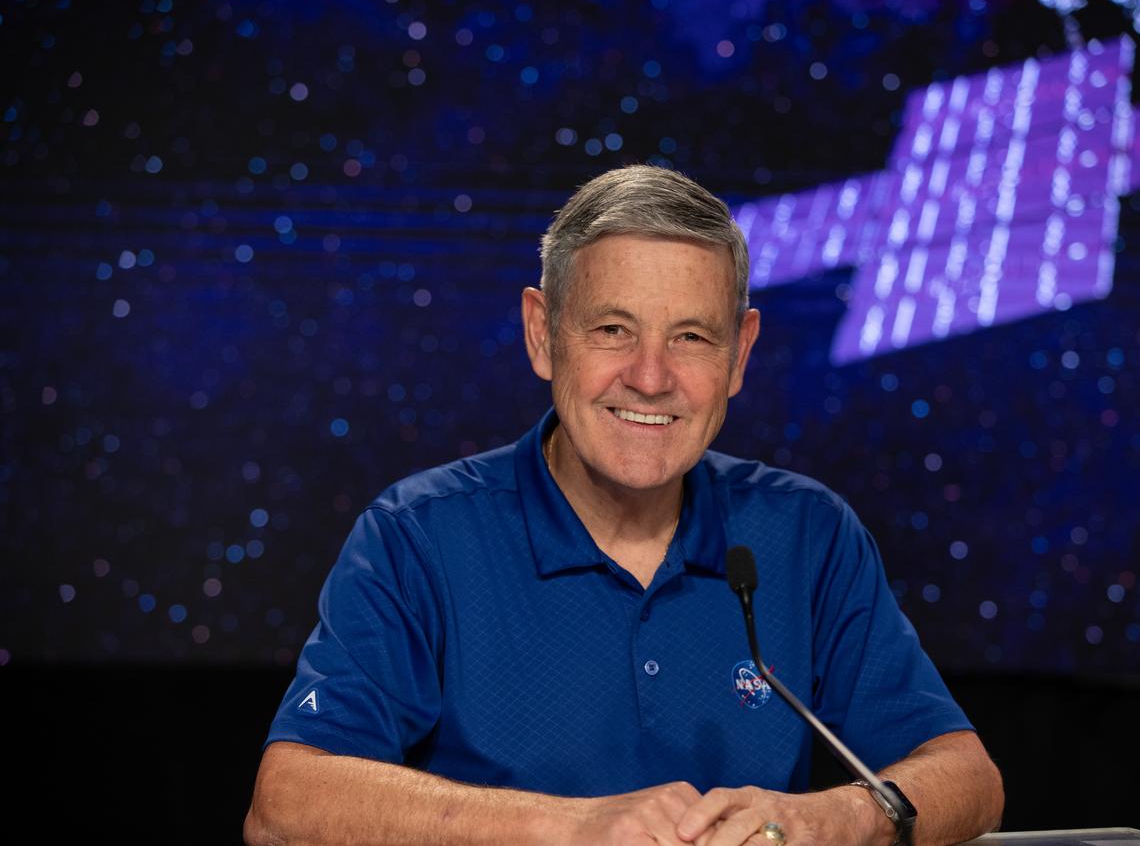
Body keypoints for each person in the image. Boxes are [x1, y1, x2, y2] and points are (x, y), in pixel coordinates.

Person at [245, 165, 1003, 846]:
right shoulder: (417, 536)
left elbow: (970, 779)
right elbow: (287, 805)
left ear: (740, 354)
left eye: (692, 337)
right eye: (613, 329)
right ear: (543, 335)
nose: (650, 376)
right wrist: (569, 824)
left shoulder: (807, 534)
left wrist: (843, 816)